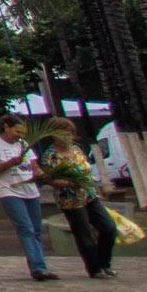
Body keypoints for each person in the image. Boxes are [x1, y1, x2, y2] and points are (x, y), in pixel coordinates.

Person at [0, 115, 58, 280]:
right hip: (9, 190)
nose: (19, 135)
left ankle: (40, 264)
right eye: (16, 130)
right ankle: (38, 267)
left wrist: (43, 175)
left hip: (29, 189)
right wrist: (10, 163)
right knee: (25, 227)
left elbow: (33, 164)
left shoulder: (23, 144)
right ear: (6, 127)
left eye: (22, 132)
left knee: (36, 229)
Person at [42, 120, 117, 280]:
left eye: (70, 133)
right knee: (84, 233)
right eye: (64, 134)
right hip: (70, 199)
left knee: (108, 227)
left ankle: (105, 262)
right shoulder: (50, 155)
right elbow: (51, 180)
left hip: (89, 194)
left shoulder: (76, 150)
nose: (68, 137)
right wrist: (71, 183)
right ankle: (94, 268)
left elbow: (87, 171)